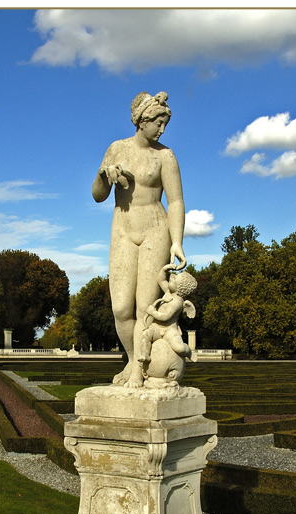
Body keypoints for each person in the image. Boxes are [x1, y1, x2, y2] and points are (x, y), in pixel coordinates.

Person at [93, 91, 186, 388]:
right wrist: (103, 174)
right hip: (122, 230)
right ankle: (133, 359)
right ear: (142, 120)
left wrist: (177, 242)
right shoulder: (116, 149)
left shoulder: (165, 156)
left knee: (145, 306)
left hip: (155, 230)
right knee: (120, 308)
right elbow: (98, 195)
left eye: (164, 124)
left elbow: (177, 201)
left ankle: (138, 371)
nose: (161, 129)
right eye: (158, 123)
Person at [138, 264, 197, 369]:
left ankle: (188, 351)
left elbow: (165, 317)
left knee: (179, 348)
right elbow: (160, 280)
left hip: (169, 330)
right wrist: (165, 269)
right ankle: (145, 355)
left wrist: (152, 312)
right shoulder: (168, 292)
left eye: (173, 281)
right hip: (156, 327)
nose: (171, 278)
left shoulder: (177, 302)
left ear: (178, 289)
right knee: (146, 335)